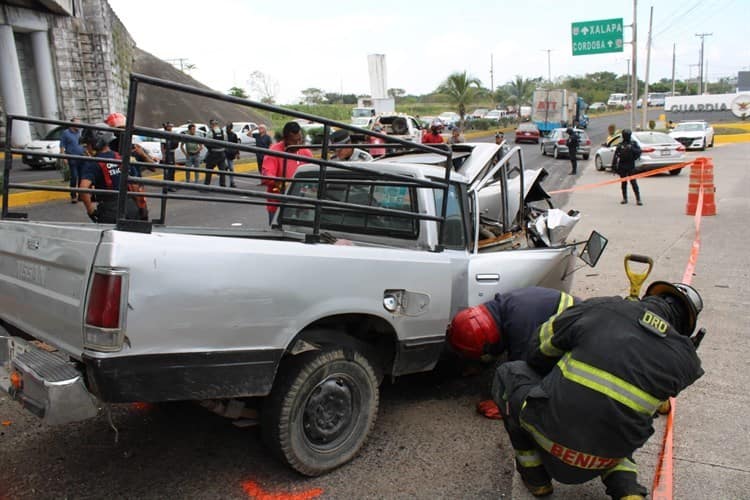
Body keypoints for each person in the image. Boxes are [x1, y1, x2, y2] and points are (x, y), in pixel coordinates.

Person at [492, 282, 704, 499]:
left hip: (551, 442)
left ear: (650, 297)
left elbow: (538, 349)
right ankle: (628, 491)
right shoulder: (686, 361)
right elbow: (660, 399)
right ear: (685, 327)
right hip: (608, 456)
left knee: (509, 372)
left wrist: (556, 372)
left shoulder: (603, 308)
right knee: (621, 417)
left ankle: (536, 478)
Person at [448, 288, 578, 418]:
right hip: (563, 317)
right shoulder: (494, 309)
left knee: (537, 369)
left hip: (577, 336)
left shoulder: (521, 329)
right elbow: (495, 343)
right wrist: (479, 364)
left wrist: (503, 404)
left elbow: (523, 371)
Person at [77, 125, 143, 223]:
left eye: (88, 144)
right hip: (130, 206)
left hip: (109, 211)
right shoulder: (122, 158)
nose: (87, 148)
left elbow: (83, 188)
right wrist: (140, 207)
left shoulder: (93, 163)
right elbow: (135, 187)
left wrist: (90, 211)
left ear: (95, 143)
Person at [261, 121, 313, 224]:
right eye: (294, 142)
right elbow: (267, 175)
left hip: (301, 206)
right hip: (279, 206)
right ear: (285, 139)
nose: (298, 144)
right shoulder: (274, 151)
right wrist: (282, 184)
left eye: (299, 140)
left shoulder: (306, 152)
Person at [613, 129, 642, 205]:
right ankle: (625, 198)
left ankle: (638, 199)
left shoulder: (633, 144)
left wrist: (631, 149)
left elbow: (639, 152)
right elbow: (616, 156)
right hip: (622, 165)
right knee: (624, 183)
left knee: (633, 182)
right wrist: (614, 167)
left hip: (630, 165)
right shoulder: (620, 145)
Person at [59, 117, 84, 203]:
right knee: (74, 176)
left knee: (82, 177)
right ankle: (73, 195)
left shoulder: (80, 132)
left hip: (82, 157)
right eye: (77, 123)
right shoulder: (66, 133)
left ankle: (81, 195)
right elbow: (62, 146)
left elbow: (84, 144)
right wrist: (64, 157)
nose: (79, 125)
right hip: (72, 158)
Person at [204, 119, 229, 187]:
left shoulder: (210, 132)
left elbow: (206, 142)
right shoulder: (223, 132)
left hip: (213, 154)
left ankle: (206, 185)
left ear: (212, 125)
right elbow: (226, 142)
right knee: (222, 171)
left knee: (209, 170)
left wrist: (210, 149)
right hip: (221, 153)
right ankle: (223, 185)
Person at [160, 122, 180, 191]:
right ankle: (168, 186)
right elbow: (162, 146)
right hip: (168, 153)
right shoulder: (164, 135)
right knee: (169, 170)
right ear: (167, 127)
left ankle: (171, 185)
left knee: (172, 169)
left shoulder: (171, 134)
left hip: (172, 152)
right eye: (170, 126)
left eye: (171, 126)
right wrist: (164, 155)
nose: (171, 128)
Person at [225, 122, 240, 188]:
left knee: (231, 169)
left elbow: (236, 145)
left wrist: (237, 153)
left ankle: (232, 182)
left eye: (228, 127)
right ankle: (223, 183)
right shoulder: (224, 134)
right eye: (227, 127)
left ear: (231, 128)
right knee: (225, 167)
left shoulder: (234, 135)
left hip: (230, 154)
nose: (227, 128)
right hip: (224, 154)